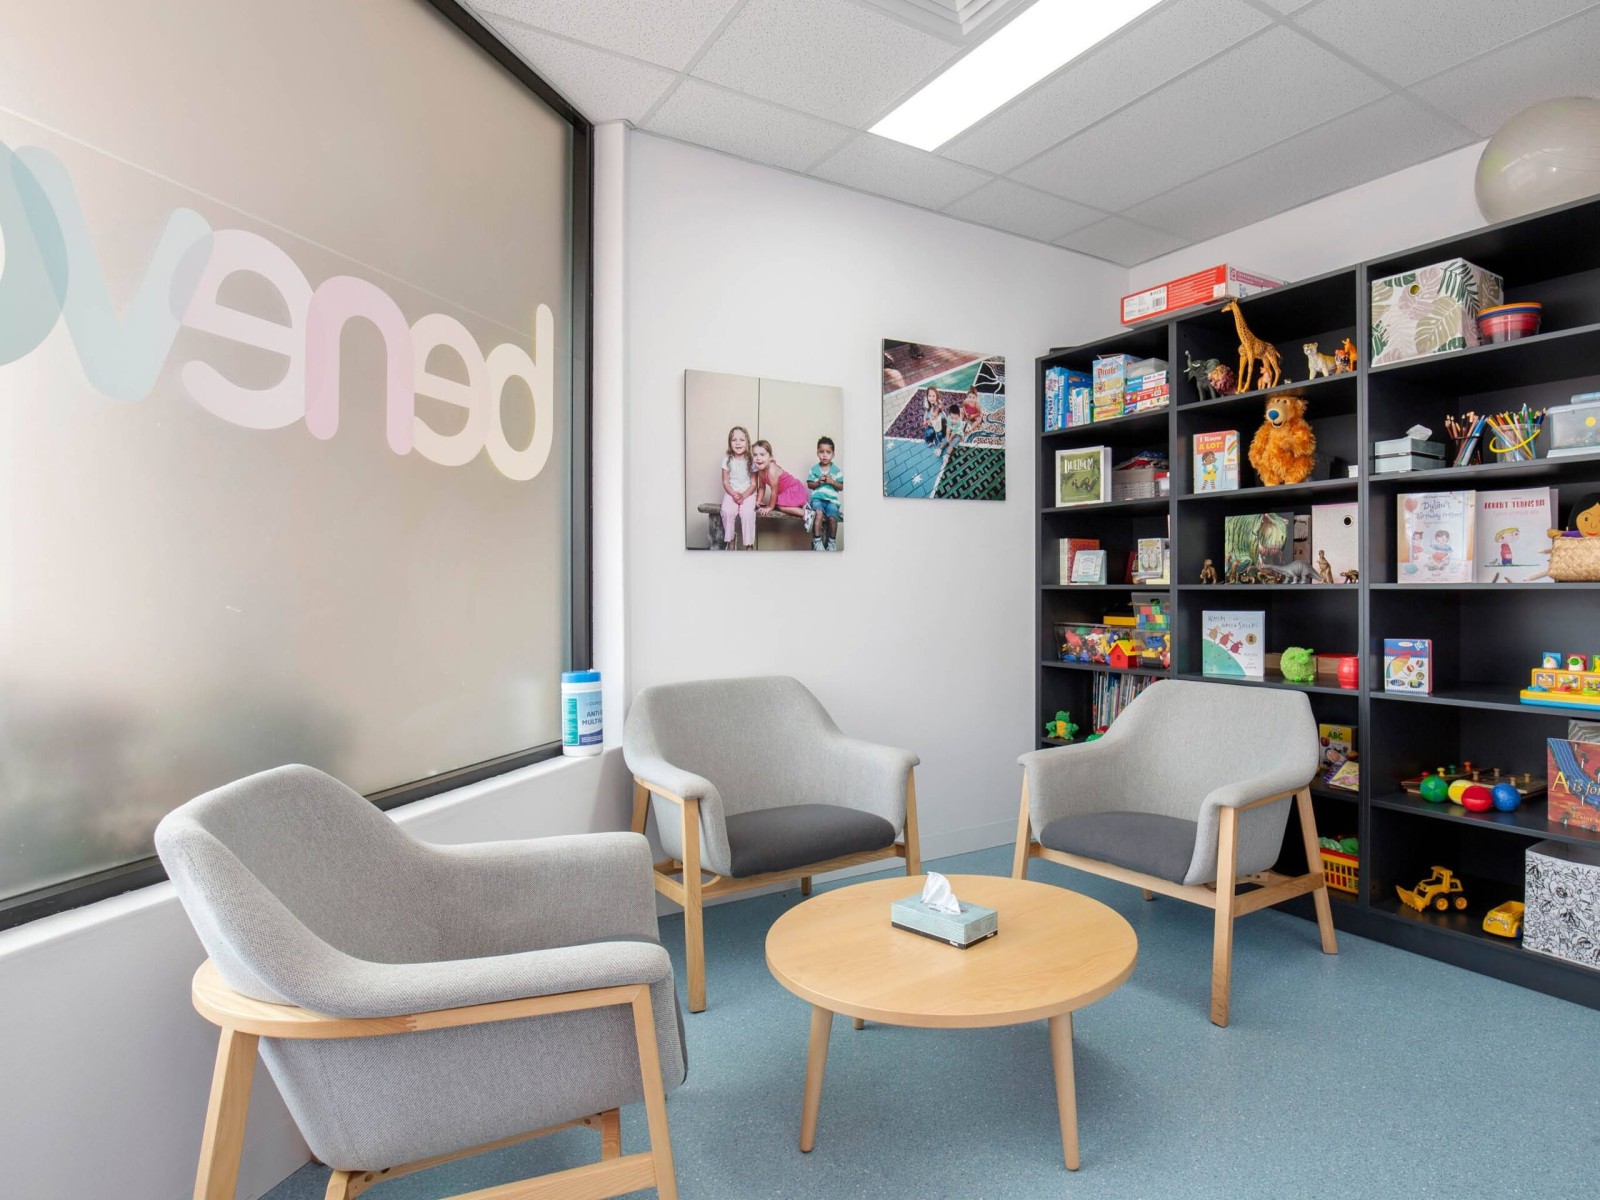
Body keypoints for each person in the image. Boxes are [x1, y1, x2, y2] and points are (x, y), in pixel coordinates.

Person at [751, 440, 810, 526]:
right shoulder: (760, 470)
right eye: (755, 455)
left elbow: (774, 491)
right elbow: (762, 487)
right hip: (786, 492)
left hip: (794, 489)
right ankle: (804, 507)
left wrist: (770, 507)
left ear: (771, 457)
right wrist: (759, 500)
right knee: (778, 503)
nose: (758, 458)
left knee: (780, 506)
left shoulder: (771, 470)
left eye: (762, 454)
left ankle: (806, 513)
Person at [719, 425, 756, 550]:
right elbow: (725, 482)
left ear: (747, 442)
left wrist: (743, 495)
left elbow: (753, 484)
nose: (738, 443)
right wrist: (734, 494)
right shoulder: (726, 460)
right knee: (726, 511)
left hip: (748, 493)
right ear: (730, 443)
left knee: (747, 513)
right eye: (734, 440)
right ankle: (730, 540)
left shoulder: (751, 460)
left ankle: (749, 544)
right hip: (731, 493)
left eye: (741, 440)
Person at [806, 436, 844, 551]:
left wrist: (832, 482)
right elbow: (809, 484)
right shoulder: (814, 469)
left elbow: (841, 487)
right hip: (817, 499)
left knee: (833, 517)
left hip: (831, 501)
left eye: (828, 452)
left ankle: (832, 542)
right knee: (818, 514)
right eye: (821, 452)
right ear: (817, 453)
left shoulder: (836, 471)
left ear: (833, 455)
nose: (824, 455)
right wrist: (818, 482)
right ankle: (817, 541)